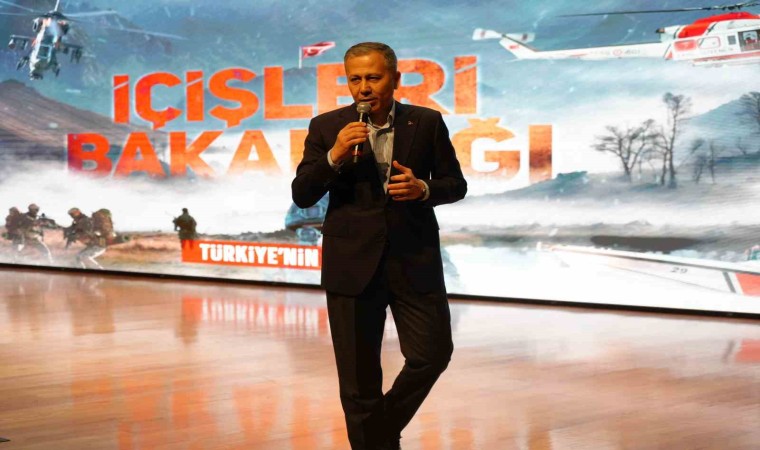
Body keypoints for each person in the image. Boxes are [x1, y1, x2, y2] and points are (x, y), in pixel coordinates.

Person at [291, 42, 467, 450]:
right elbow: (302, 193)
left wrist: (423, 189)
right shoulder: (326, 127)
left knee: (432, 355)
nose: (364, 87)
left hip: (414, 259)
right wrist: (334, 155)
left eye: (373, 77)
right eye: (355, 79)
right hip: (351, 265)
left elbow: (455, 184)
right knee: (358, 381)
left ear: (395, 79)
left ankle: (377, 435)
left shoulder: (426, 122)